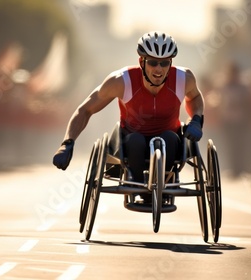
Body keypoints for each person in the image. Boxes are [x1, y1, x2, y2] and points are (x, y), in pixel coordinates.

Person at [52, 31, 205, 201]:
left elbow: (196, 98)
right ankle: (136, 182)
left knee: (168, 138)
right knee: (135, 140)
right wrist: (67, 143)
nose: (159, 69)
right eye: (153, 62)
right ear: (142, 62)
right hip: (131, 140)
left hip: (170, 140)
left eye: (164, 63)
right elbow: (85, 109)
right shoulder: (121, 81)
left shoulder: (184, 78)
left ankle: (167, 183)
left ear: (170, 63)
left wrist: (196, 119)